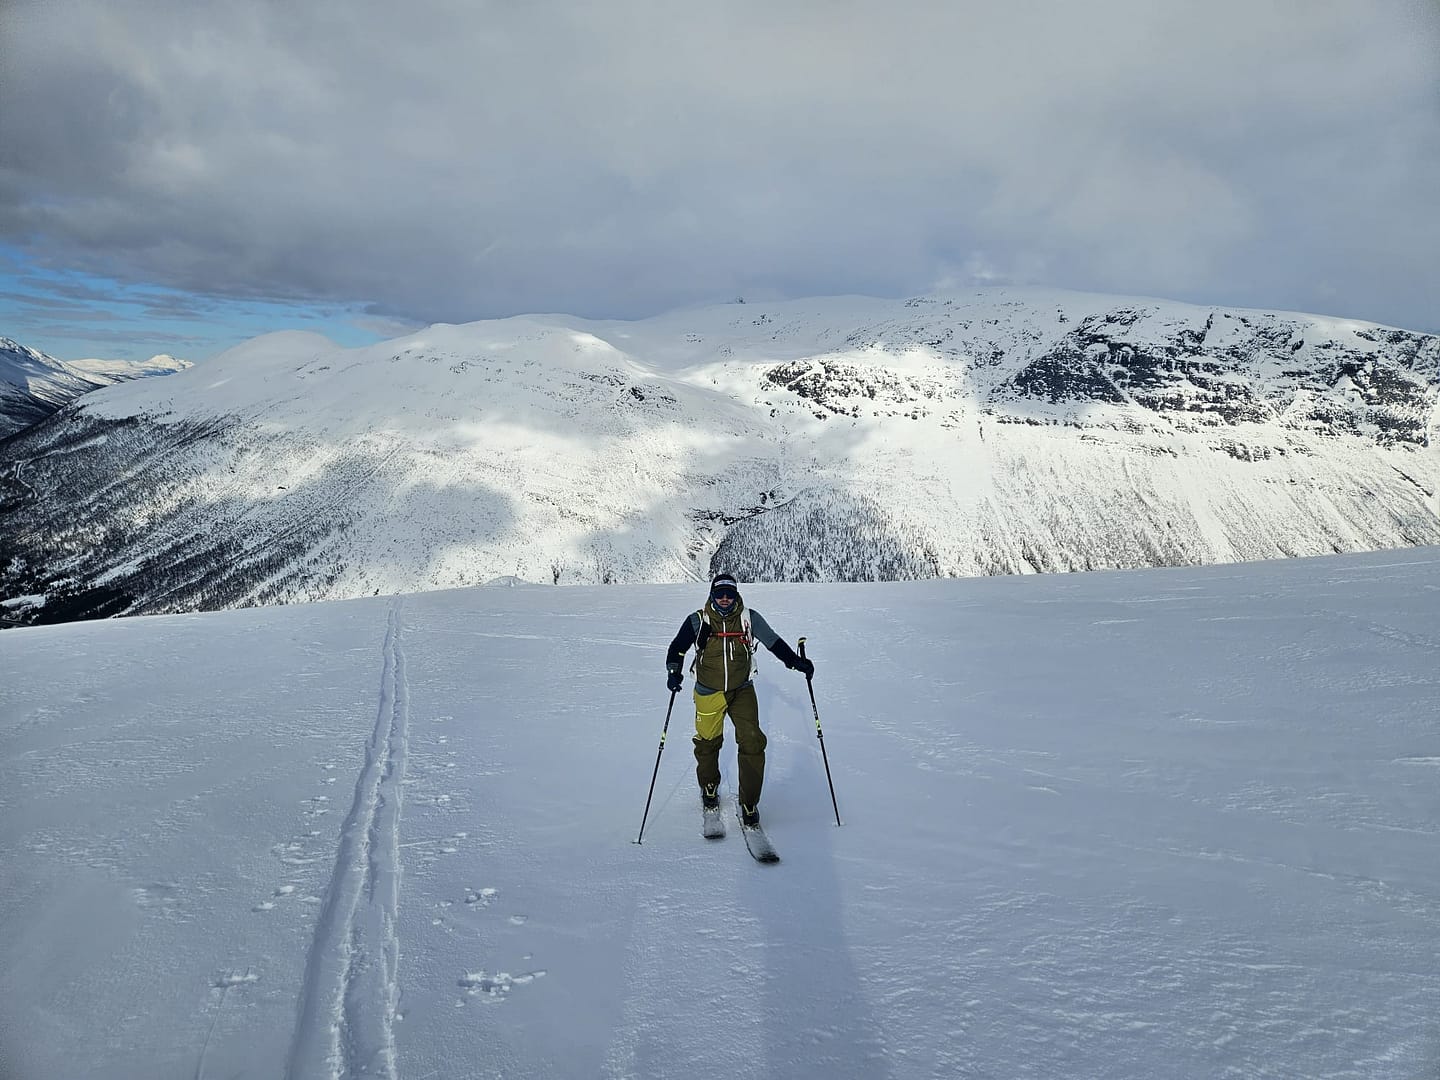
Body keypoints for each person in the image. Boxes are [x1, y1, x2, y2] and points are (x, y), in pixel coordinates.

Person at [665, 572, 814, 828]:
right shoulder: (697, 621)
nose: (724, 599)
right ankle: (709, 787)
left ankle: (749, 802)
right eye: (720, 594)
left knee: (753, 741)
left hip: (742, 689)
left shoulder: (749, 619)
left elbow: (773, 642)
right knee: (707, 743)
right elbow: (677, 648)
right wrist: (673, 672)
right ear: (712, 594)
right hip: (708, 690)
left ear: (736, 595)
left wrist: (796, 663)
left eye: (729, 594)